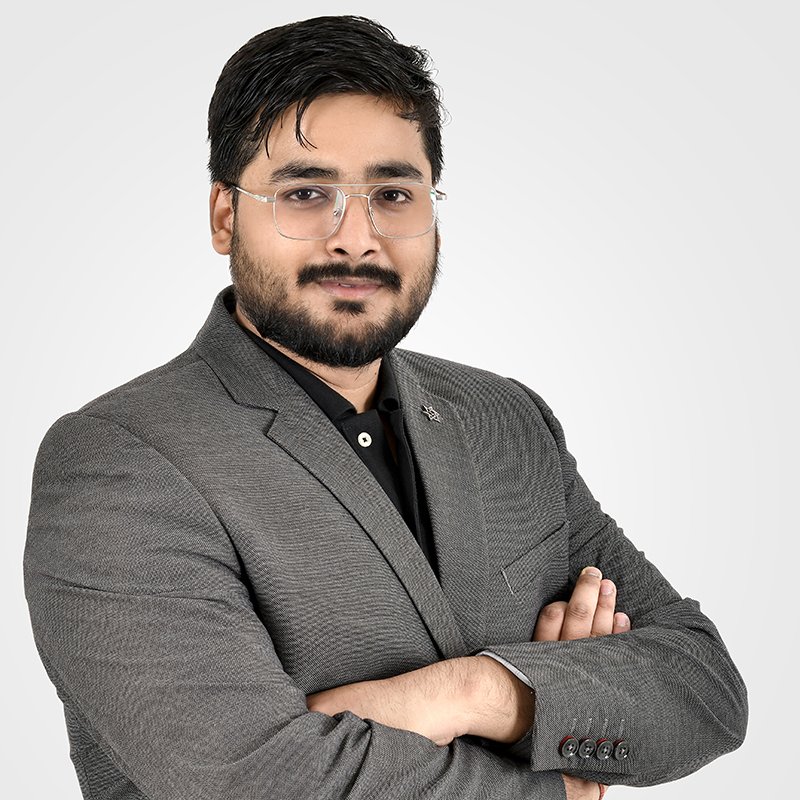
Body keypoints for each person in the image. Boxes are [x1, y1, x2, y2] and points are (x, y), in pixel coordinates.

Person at [23, 15, 747, 800]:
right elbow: (262, 781)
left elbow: (706, 690)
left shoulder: (505, 420)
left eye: (393, 194)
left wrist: (482, 690)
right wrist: (559, 784)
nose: (356, 238)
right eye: (306, 193)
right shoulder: (120, 461)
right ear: (225, 216)